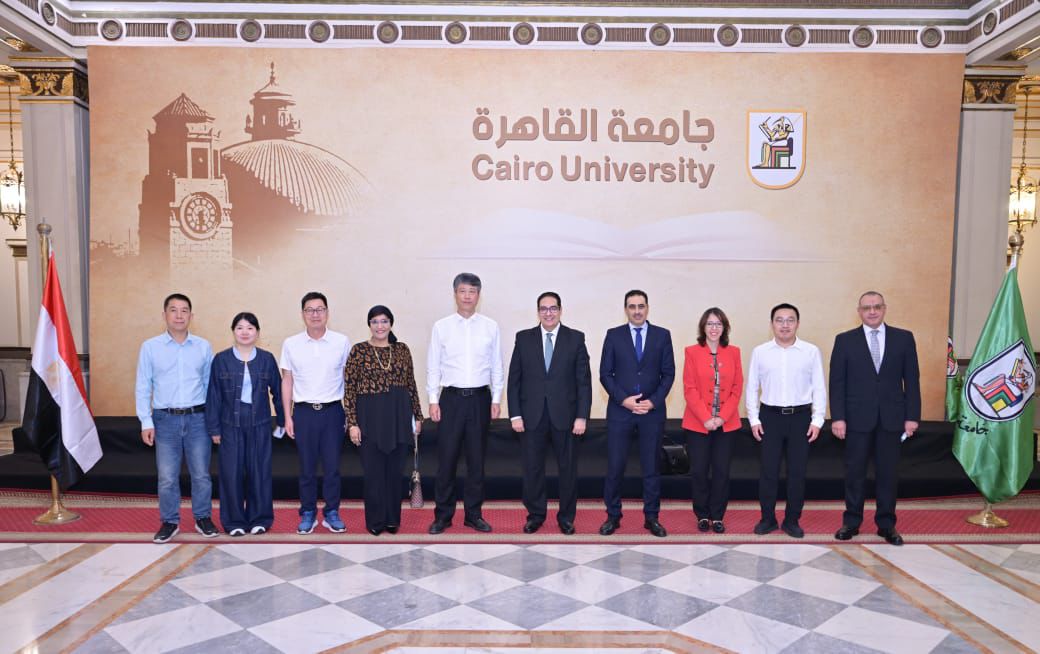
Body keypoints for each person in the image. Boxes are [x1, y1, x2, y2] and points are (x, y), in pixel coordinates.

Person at [829, 291, 920, 546]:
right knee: (854, 473)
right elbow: (837, 383)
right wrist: (838, 418)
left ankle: (887, 525)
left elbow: (912, 380)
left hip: (892, 418)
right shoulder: (844, 340)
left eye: (877, 307)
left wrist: (912, 416)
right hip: (856, 419)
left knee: (888, 474)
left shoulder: (904, 338)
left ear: (884, 309)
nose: (872, 311)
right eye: (867, 307)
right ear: (859, 311)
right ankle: (852, 522)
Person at [507, 292, 592, 535]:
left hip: (566, 416)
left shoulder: (575, 338)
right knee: (532, 469)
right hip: (531, 416)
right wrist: (515, 415)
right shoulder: (523, 338)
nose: (548, 313)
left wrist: (582, 416)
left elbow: (583, 382)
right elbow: (514, 380)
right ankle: (535, 515)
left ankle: (566, 518)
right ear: (538, 312)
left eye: (553, 308)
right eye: (543, 309)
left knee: (567, 469)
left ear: (560, 310)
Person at [135, 293, 217, 544]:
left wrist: (213, 421)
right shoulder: (150, 347)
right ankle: (170, 521)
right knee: (167, 477)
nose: (179, 315)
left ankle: (203, 517)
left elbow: (210, 386)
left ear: (191, 316)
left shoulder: (203, 346)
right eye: (173, 310)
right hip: (165, 420)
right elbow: (143, 386)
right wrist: (146, 421)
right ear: (164, 315)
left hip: (198, 419)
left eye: (184, 310)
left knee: (201, 474)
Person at [426, 272, 504, 535]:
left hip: (480, 399)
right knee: (446, 460)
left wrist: (496, 398)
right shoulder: (442, 326)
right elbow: (433, 365)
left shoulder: (490, 326)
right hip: (451, 399)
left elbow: (496, 365)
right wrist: (433, 400)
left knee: (476, 461)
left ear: (478, 295)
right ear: (455, 294)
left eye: (472, 291)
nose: (467, 296)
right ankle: (443, 516)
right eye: (462, 291)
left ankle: (473, 515)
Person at [745, 302, 826, 539]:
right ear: (772, 324)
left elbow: (819, 387)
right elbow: (752, 387)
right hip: (769, 418)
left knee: (797, 473)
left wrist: (817, 420)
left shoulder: (811, 351)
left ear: (797, 324)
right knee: (768, 472)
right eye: (779, 320)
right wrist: (753, 419)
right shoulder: (760, 352)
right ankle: (767, 519)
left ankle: (792, 520)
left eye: (790, 320)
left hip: (801, 418)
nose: (785, 325)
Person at [599, 290, 675, 538]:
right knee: (615, 467)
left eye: (641, 306)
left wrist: (652, 402)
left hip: (651, 412)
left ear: (647, 308)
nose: (637, 311)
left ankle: (652, 517)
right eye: (632, 307)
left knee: (651, 468)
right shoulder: (614, 335)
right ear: (626, 310)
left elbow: (668, 374)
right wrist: (624, 400)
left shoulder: (662, 335)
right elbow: (605, 374)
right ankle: (613, 516)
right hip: (621, 411)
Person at [344, 306, 424, 536]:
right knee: (374, 473)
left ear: (391, 323)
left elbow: (411, 384)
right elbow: (349, 388)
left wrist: (418, 416)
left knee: (395, 473)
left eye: (384, 321)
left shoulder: (402, 349)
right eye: (375, 322)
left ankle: (392, 519)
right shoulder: (359, 350)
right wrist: (352, 423)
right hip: (369, 418)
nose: (380, 326)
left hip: (399, 416)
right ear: (369, 325)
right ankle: (375, 520)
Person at [205, 312, 285, 536]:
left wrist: (282, 421)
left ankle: (260, 519)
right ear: (233, 331)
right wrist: (214, 428)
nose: (245, 332)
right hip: (230, 425)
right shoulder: (221, 359)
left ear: (257, 332)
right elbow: (213, 395)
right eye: (240, 327)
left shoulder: (266, 359)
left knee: (259, 472)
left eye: (250, 328)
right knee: (231, 474)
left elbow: (278, 392)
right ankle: (234, 522)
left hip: (259, 424)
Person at [280, 292, 351, 534]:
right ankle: (308, 512)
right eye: (310, 310)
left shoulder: (341, 342)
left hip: (333, 412)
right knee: (307, 468)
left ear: (327, 313)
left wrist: (349, 414)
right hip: (304, 412)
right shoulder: (291, 344)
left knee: (332, 468)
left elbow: (349, 380)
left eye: (320, 309)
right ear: (303, 314)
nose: (315, 314)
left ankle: (332, 512)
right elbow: (287, 381)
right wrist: (287, 416)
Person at [682, 307, 743, 534]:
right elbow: (689, 389)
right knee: (699, 471)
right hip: (698, 423)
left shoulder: (734, 352)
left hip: (726, 424)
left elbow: (737, 388)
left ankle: (717, 516)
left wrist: (722, 417)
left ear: (724, 327)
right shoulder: (691, 352)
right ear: (703, 327)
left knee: (721, 472)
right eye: (710, 324)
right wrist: (707, 418)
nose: (714, 328)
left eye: (718, 324)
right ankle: (702, 515)